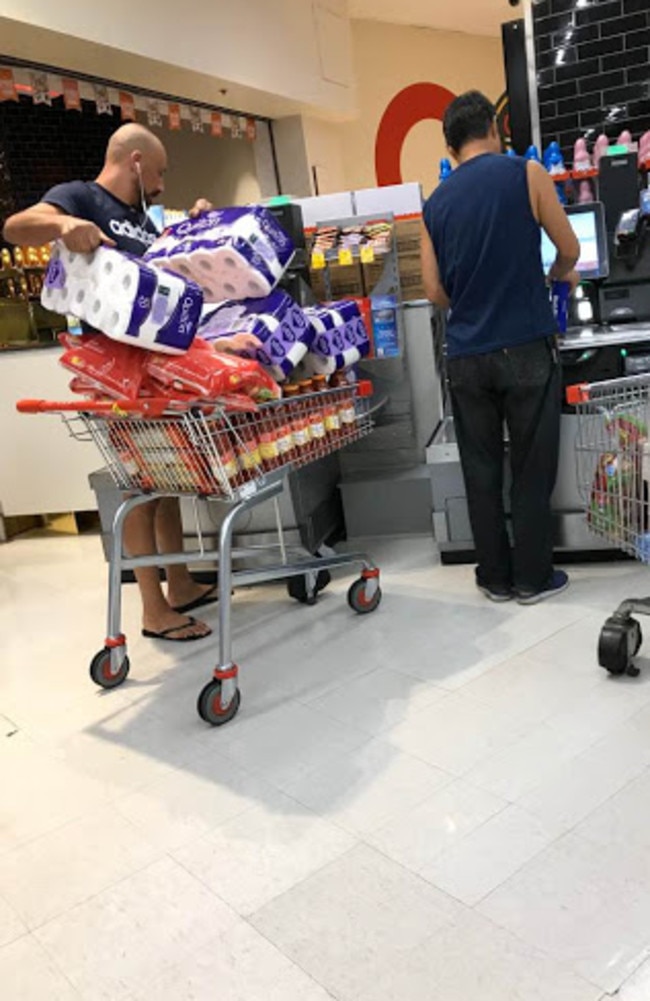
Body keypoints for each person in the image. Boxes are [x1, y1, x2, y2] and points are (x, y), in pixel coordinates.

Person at [4, 123, 238, 641]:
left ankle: (178, 584)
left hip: (157, 368)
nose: (161, 184)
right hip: (116, 373)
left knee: (167, 481)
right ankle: (153, 610)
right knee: (139, 486)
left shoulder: (140, 220)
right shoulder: (79, 197)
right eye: (158, 172)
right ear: (135, 160)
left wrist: (197, 229)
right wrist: (62, 228)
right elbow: (17, 226)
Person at [420, 91, 580, 604]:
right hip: (527, 346)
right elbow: (570, 249)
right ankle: (533, 578)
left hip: (466, 355)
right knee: (531, 466)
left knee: (481, 468)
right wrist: (554, 277)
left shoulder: (434, 204)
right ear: (493, 126)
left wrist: (470, 305)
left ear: (450, 144)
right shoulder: (527, 174)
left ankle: (494, 576)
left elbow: (433, 292)